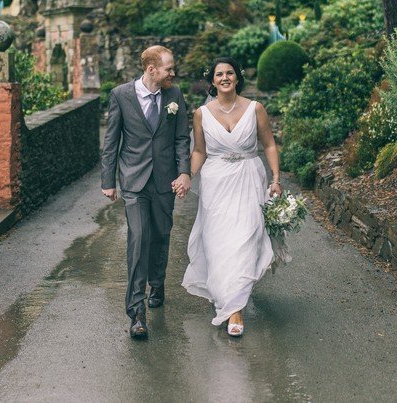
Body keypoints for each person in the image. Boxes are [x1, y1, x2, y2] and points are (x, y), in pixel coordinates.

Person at [181, 56, 281, 336]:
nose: (225, 78)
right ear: (212, 81)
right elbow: (199, 151)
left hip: (249, 177)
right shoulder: (202, 113)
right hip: (215, 183)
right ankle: (227, 298)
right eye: (219, 74)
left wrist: (275, 179)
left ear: (238, 77)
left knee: (245, 240)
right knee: (218, 244)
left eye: (230, 73)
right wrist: (187, 175)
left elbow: (269, 145)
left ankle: (235, 310)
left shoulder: (255, 109)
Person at [101, 45, 192, 339]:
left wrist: (184, 172)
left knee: (162, 234)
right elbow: (111, 141)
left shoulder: (174, 96)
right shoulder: (121, 95)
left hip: (165, 179)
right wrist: (108, 180)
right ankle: (136, 311)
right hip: (134, 180)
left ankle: (159, 281)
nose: (172, 73)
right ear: (151, 70)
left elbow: (181, 138)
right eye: (168, 68)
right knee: (139, 239)